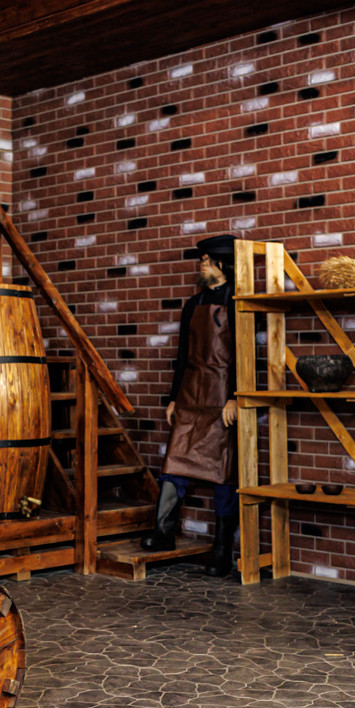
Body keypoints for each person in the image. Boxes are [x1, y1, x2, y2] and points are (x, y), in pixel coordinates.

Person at [141, 234, 240, 576]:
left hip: (222, 396)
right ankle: (163, 534)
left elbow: (244, 354)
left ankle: (222, 552)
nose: (202, 266)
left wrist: (236, 396)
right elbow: (182, 355)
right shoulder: (192, 304)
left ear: (222, 264)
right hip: (190, 394)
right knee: (173, 463)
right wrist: (173, 398)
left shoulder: (237, 302)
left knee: (224, 471)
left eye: (206, 261)